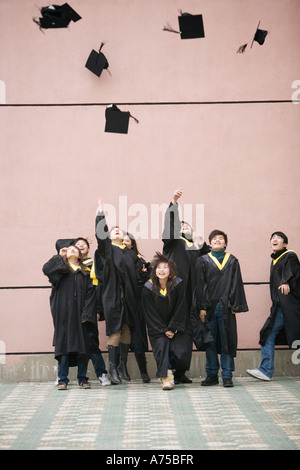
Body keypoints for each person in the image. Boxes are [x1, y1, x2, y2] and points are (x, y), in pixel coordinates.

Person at [95, 197, 148, 384]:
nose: (117, 230)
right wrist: (100, 213)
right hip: (113, 295)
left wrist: (144, 272)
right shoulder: (108, 250)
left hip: (130, 297)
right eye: (113, 230)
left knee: (127, 331)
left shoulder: (130, 254)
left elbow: (138, 276)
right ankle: (113, 370)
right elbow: (100, 235)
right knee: (115, 331)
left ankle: (122, 366)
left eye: (120, 229)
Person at [162, 189, 210, 384]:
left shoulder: (197, 247)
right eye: (180, 226)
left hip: (192, 297)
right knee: (170, 331)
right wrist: (173, 203)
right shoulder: (172, 244)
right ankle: (168, 369)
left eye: (186, 226)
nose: (183, 227)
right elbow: (170, 227)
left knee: (187, 335)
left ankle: (181, 372)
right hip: (174, 294)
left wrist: (202, 242)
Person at [194, 230, 248, 387]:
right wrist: (202, 307)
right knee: (210, 340)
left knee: (227, 339)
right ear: (209, 243)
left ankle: (227, 375)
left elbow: (236, 283)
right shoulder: (202, 260)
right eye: (214, 239)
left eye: (221, 239)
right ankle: (211, 374)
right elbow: (200, 285)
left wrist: (234, 304)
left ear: (225, 243)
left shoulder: (232, 260)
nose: (217, 240)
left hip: (226, 307)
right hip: (210, 307)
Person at [55, 237, 110, 386]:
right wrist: (76, 240)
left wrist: (98, 310)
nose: (79, 246)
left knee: (90, 345)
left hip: (90, 310)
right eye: (76, 245)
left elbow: (97, 290)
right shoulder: (67, 266)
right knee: (66, 342)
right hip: (71, 313)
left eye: (83, 245)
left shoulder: (93, 265)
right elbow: (60, 243)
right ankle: (61, 375)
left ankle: (101, 374)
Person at [247, 232, 300, 381]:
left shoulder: (290, 255)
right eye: (272, 238)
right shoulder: (275, 260)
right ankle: (265, 370)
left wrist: (285, 281)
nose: (274, 239)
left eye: (278, 237)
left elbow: (292, 271)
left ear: (285, 244)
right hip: (280, 305)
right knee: (269, 334)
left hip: (289, 306)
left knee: (267, 333)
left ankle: (265, 370)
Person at [42, 245, 96, 390]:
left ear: (80, 254)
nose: (72, 250)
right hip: (64, 315)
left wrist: (87, 314)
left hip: (81, 315)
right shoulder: (61, 271)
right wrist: (60, 256)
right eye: (69, 249)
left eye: (75, 249)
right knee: (64, 347)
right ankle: (62, 379)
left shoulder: (85, 271)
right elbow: (46, 269)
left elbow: (91, 294)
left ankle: (83, 379)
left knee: (83, 348)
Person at [141, 253, 190, 390]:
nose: (161, 270)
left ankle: (176, 373)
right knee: (162, 349)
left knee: (181, 353)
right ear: (154, 271)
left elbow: (181, 307)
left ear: (170, 271)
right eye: (158, 268)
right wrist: (164, 329)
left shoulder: (178, 284)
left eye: (165, 267)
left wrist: (173, 328)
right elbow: (149, 313)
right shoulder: (148, 288)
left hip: (177, 326)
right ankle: (167, 378)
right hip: (157, 327)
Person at [123, 232, 151, 383]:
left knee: (138, 337)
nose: (124, 243)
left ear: (132, 244)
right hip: (121, 303)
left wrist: (143, 274)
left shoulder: (140, 261)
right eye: (122, 241)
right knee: (122, 337)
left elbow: (145, 284)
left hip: (137, 304)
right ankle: (122, 370)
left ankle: (143, 372)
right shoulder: (116, 260)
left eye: (127, 241)